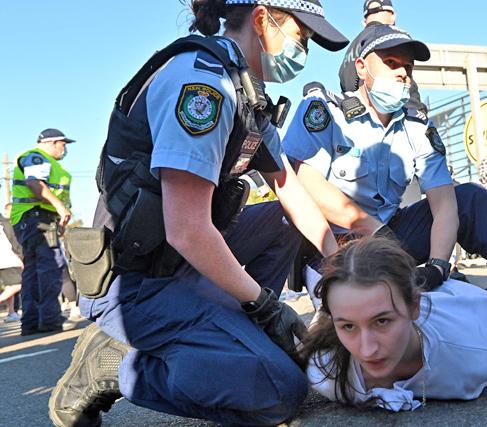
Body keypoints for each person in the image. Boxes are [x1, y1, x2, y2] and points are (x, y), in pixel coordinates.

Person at [49, 1, 347, 426]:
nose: (305, 51)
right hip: (136, 281)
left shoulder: (249, 97)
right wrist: (264, 303)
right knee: (279, 391)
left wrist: (337, 269)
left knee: (283, 224)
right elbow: (187, 230)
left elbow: (290, 191)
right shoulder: (204, 86)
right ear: (263, 19)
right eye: (302, 36)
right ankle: (115, 365)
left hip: (185, 264)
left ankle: (235, 334)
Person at [283, 23, 487, 342]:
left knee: (470, 198)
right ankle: (482, 307)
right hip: (336, 244)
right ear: (362, 68)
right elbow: (304, 181)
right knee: (382, 327)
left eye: (407, 68)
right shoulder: (327, 112)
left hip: (393, 237)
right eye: (391, 63)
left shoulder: (418, 129)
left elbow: (444, 204)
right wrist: (373, 229)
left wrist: (438, 266)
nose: (402, 74)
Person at [302, 236, 487, 411]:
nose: (367, 350)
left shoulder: (475, 356)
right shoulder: (327, 374)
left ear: (415, 307)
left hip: (466, 306)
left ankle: (460, 281)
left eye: (382, 321)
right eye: (348, 326)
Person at [9, 128, 74, 335]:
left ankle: (32, 321)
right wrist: (60, 207)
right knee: (51, 266)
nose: (64, 149)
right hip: (37, 219)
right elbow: (34, 183)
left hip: (33, 220)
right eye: (63, 144)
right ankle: (49, 319)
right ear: (52, 142)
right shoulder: (37, 158)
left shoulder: (45, 161)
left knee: (34, 271)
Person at [0, 205, 23, 323]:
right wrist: (20, 256)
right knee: (18, 285)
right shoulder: (6, 223)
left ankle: (11, 312)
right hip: (8, 258)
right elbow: (13, 240)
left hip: (5, 259)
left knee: (10, 286)